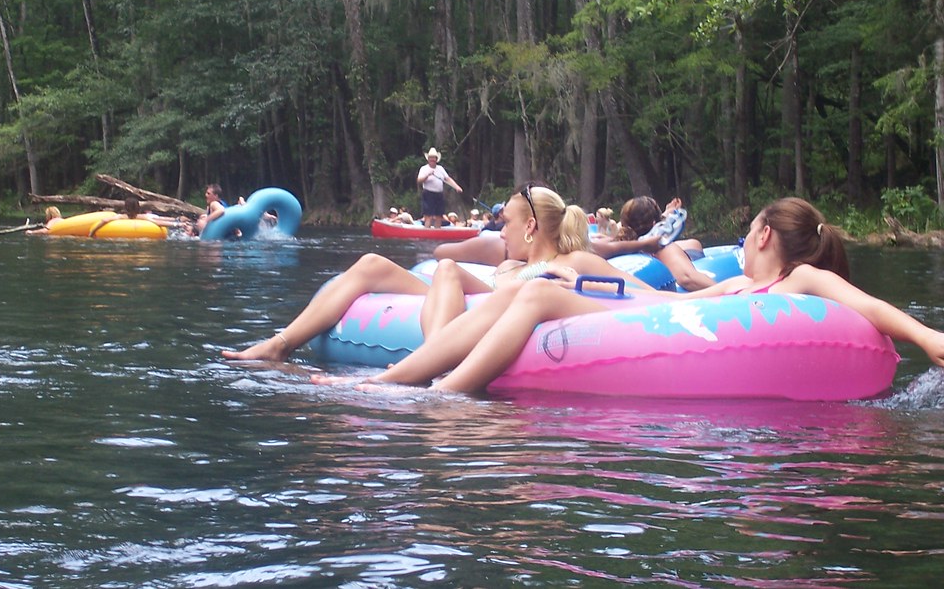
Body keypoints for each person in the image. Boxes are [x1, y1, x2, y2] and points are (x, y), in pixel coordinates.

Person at [323, 197, 944, 394]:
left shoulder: (797, 281)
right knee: (542, 286)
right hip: (658, 313)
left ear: (761, 234)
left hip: (675, 322)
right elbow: (677, 300)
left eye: (750, 228)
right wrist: (598, 281)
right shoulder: (746, 281)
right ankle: (407, 384)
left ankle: (438, 393)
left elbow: (859, 300)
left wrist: (926, 336)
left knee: (536, 296)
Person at [223, 184, 647, 366]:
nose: (504, 231)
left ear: (532, 227)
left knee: (446, 269)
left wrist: (709, 294)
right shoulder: (505, 258)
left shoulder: (573, 261)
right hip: (473, 305)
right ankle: (279, 345)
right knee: (372, 264)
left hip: (491, 310)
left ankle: (433, 362)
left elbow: (638, 294)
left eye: (509, 224)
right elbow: (448, 250)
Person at [591, 196, 715, 291]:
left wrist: (668, 212)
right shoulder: (661, 248)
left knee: (691, 243)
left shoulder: (618, 242)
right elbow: (687, 278)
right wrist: (730, 290)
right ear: (655, 223)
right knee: (693, 243)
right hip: (679, 260)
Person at [417, 147, 462, 229]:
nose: (432, 159)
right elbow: (419, 180)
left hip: (439, 194)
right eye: (430, 158)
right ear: (428, 159)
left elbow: (447, 179)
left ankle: (437, 231)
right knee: (428, 216)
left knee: (439, 216)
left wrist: (457, 187)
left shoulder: (440, 169)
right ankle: (426, 232)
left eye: (434, 158)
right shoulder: (424, 168)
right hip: (428, 194)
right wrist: (427, 175)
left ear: (436, 159)